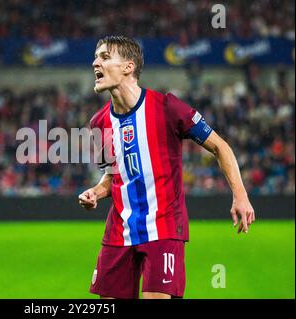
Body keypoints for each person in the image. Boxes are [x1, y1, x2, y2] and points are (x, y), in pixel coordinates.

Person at [78, 35, 255, 299]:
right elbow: (112, 176)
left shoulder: (167, 108)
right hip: (119, 231)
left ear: (128, 66)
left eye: (104, 57)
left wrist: (240, 195)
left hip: (163, 227)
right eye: (95, 57)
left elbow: (221, 147)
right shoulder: (98, 123)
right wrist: (96, 192)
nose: (95, 63)